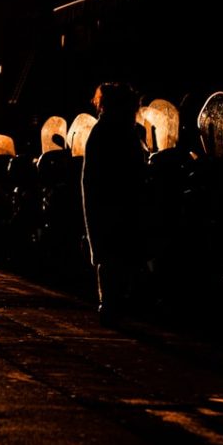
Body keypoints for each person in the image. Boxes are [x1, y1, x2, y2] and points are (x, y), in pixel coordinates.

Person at [80, 82, 147, 326]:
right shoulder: (113, 131)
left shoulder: (116, 130)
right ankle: (111, 306)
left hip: (115, 205)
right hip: (115, 205)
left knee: (114, 259)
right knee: (113, 259)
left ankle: (113, 306)